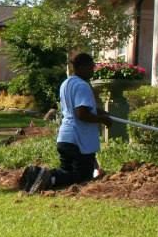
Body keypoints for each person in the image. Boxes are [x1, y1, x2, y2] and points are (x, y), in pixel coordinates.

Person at [22, 52, 112, 193]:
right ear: (82, 67)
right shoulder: (83, 86)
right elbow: (81, 113)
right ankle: (49, 178)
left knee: (67, 172)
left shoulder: (67, 83)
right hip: (79, 140)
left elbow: (75, 107)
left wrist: (99, 112)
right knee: (83, 177)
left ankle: (41, 176)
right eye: (91, 67)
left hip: (65, 137)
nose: (92, 70)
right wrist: (102, 120)